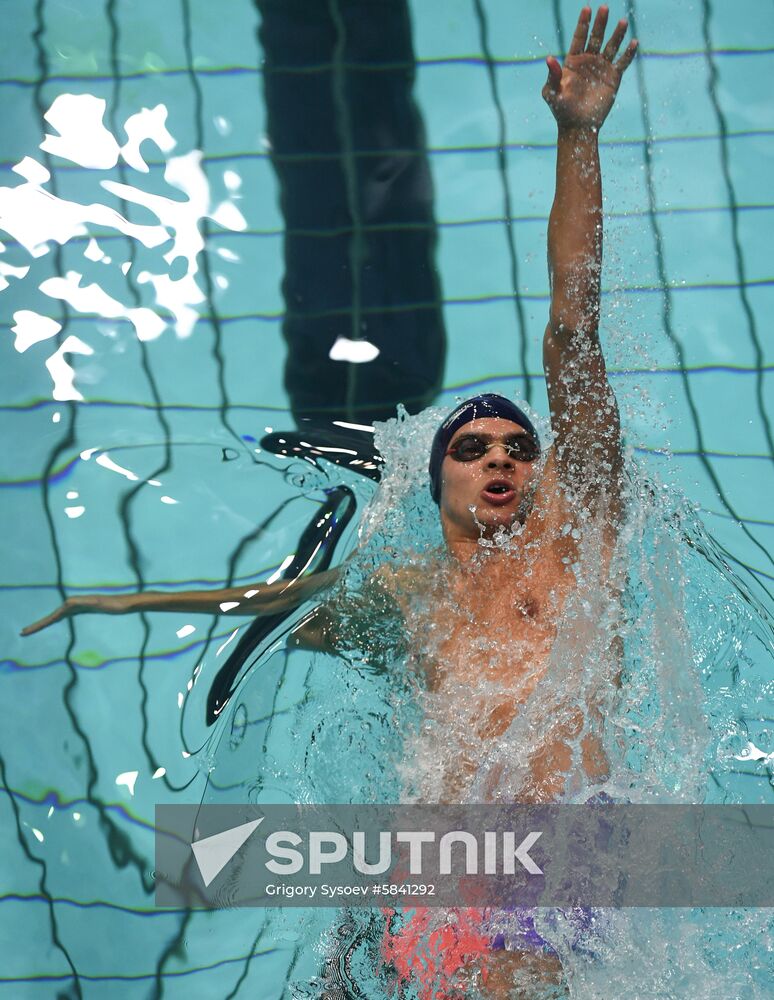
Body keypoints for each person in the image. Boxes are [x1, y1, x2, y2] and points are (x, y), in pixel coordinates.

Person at [23, 5, 637, 993]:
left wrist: (578, 136)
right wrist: (107, 605)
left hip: (556, 872)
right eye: (473, 447)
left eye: (520, 447)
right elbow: (259, 613)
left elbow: (572, 333)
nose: (501, 460)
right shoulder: (401, 595)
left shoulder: (576, 542)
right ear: (433, 475)